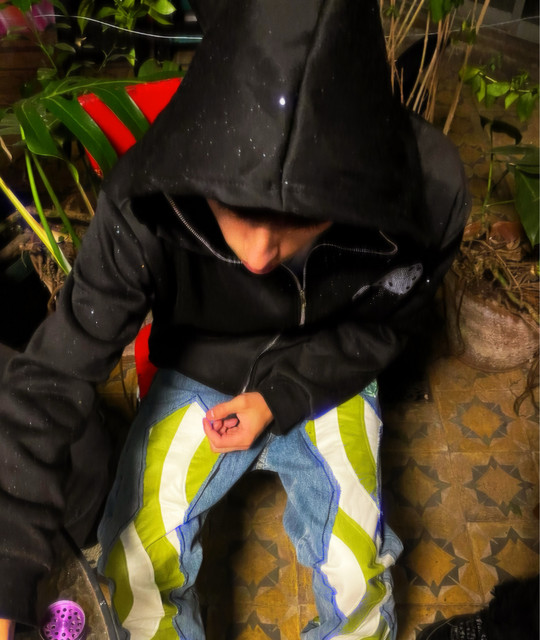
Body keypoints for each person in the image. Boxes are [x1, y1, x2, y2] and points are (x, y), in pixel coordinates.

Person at [0, 1, 470, 638]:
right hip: (203, 369)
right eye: (236, 209)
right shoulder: (144, 201)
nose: (257, 256)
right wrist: (7, 567)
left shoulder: (430, 194)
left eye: (302, 218)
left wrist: (282, 396)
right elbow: (51, 379)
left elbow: (385, 327)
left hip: (330, 368)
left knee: (357, 576)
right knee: (133, 569)